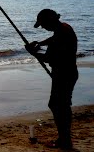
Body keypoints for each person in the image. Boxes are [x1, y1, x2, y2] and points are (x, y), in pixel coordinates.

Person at [26, 9, 78, 150]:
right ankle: (64, 139)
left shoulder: (61, 34)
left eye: (43, 24)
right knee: (60, 106)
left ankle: (64, 141)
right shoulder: (64, 28)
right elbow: (54, 39)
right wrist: (40, 44)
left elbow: (49, 58)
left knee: (58, 106)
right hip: (67, 73)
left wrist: (34, 53)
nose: (42, 27)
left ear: (49, 21)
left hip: (64, 75)